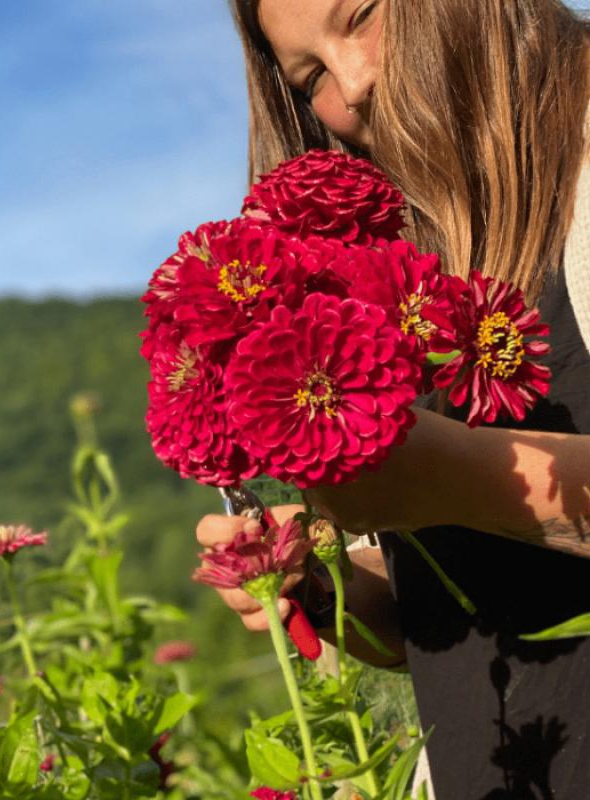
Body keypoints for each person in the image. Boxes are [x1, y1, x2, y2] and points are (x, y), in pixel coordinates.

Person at [196, 1, 590, 796]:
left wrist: (462, 477)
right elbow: (458, 606)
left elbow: (475, 490)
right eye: (309, 78)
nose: (354, 82)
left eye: (362, 15)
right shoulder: (409, 267)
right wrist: (328, 583)